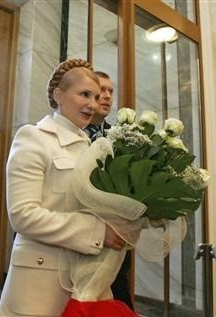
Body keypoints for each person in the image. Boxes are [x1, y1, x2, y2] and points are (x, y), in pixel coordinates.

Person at [0, 59, 130, 316]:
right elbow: (23, 215)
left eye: (96, 95)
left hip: (87, 282)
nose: (92, 104)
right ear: (59, 95)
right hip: (40, 285)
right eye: (84, 94)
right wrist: (98, 232)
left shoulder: (93, 148)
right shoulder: (33, 137)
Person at [84, 71, 134, 309]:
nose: (106, 96)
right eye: (100, 90)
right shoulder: (70, 134)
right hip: (79, 241)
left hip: (117, 240)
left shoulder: (122, 138)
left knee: (119, 303)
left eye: (110, 91)